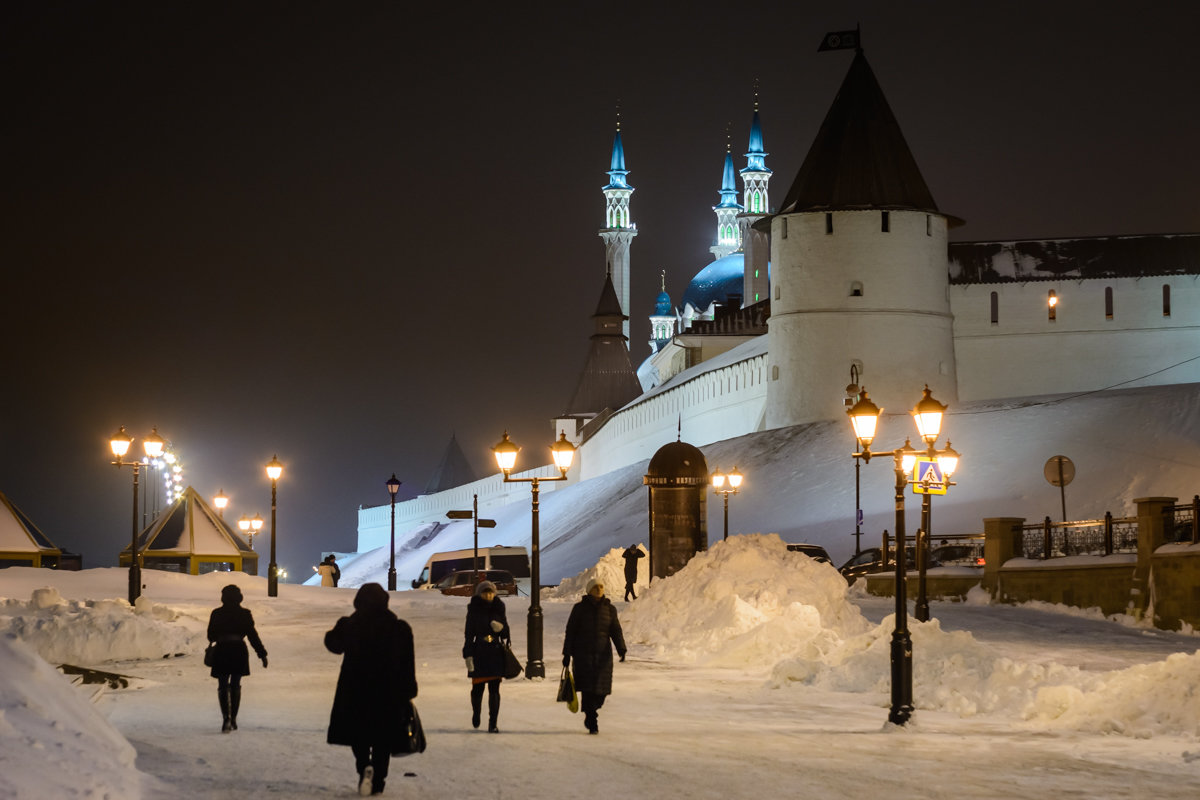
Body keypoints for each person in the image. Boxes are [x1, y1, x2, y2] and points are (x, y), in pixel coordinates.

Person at [325, 583, 418, 797]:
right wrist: (409, 689)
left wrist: (335, 632)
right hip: (388, 691)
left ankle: (363, 766)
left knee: (358, 734)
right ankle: (378, 781)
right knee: (382, 738)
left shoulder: (351, 625)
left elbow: (334, 645)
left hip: (355, 689)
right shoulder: (399, 628)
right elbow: (408, 662)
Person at [562, 578, 626, 734]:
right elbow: (570, 632)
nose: (599, 589)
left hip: (603, 655)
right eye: (595, 587)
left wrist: (621, 649)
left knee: (602, 690)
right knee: (588, 688)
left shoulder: (610, 609)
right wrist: (567, 654)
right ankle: (591, 719)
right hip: (583, 654)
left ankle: (593, 711)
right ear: (589, 590)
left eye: (601, 587)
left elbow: (616, 631)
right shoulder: (579, 609)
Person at [206, 584, 268, 734]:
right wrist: (262, 654)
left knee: (222, 684)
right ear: (239, 597)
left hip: (221, 650)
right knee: (235, 684)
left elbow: (210, 636)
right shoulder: (245, 614)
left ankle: (225, 718)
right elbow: (253, 636)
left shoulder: (216, 613)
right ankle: (233, 718)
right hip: (239, 650)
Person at [462, 579, 510, 733]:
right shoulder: (474, 609)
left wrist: (500, 628)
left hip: (495, 652)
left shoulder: (499, 607)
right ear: (480, 594)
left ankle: (493, 723)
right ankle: (476, 713)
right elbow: (469, 634)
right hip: (480, 652)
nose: (489, 595)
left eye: (490, 592)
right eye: (485, 593)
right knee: (477, 689)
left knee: (494, 690)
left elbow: (506, 633)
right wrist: (468, 655)